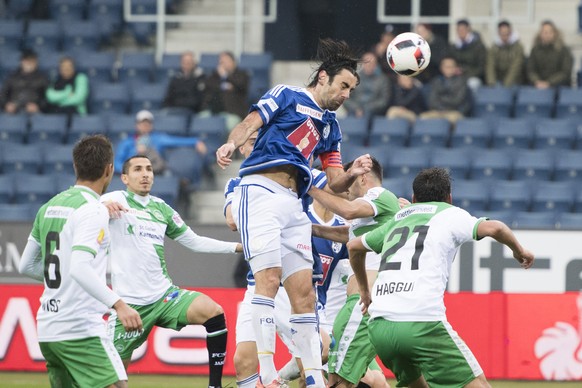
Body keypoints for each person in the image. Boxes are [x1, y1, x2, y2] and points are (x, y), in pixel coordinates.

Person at [216, 38, 373, 388]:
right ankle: (268, 374)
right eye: (344, 85)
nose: (347, 94)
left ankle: (314, 377)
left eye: (351, 89)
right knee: (268, 280)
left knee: (303, 293)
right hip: (260, 190)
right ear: (323, 78)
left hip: (293, 203)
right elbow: (250, 123)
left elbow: (333, 182)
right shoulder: (287, 95)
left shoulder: (331, 126)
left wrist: (352, 172)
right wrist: (231, 142)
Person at [347, 167, 535, 388]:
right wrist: (519, 251)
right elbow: (496, 228)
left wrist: (365, 291)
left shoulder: (398, 218)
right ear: (449, 198)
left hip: (380, 328)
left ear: (414, 197)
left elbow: (354, 246)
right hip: (421, 321)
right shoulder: (450, 213)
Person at [101, 155, 243, 388]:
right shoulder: (115, 199)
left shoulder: (162, 208)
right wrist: (100, 209)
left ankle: (214, 386)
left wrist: (238, 247)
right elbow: (82, 210)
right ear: (125, 178)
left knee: (214, 311)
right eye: (137, 169)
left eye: (149, 169)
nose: (145, 174)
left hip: (165, 296)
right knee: (113, 382)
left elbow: (194, 242)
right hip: (129, 305)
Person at [18, 134, 142, 388]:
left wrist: (65, 277)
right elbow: (80, 268)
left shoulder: (49, 206)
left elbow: (26, 266)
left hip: (48, 329)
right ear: (109, 170)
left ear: (75, 167)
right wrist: (119, 305)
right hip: (80, 328)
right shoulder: (94, 209)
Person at [308, 157, 399, 388]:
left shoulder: (379, 195)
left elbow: (347, 211)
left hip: (363, 303)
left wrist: (310, 188)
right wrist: (309, 229)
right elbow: (346, 234)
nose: (345, 189)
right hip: (363, 303)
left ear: (363, 177)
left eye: (348, 182)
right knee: (342, 378)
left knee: (340, 381)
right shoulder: (370, 216)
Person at [114, 109, 207, 174]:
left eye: (148, 123)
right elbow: (117, 162)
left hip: (153, 173)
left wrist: (195, 141)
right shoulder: (127, 142)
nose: (145, 126)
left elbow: (176, 141)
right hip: (131, 175)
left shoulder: (158, 138)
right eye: (142, 123)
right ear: (137, 125)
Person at [202, 51, 250, 131]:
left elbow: (241, 86)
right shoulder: (215, 76)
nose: (222, 64)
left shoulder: (242, 74)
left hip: (233, 112)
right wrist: (223, 83)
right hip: (214, 111)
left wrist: (225, 76)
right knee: (201, 120)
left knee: (230, 125)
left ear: (233, 62)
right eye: (221, 62)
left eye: (225, 61)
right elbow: (208, 86)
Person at [420, 56, 471, 125]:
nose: (449, 69)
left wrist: (441, 99)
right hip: (437, 111)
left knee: (454, 119)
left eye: (451, 67)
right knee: (422, 118)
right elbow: (432, 101)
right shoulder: (436, 81)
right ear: (441, 68)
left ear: (455, 68)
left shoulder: (462, 82)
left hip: (454, 112)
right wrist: (441, 109)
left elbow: (457, 101)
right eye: (446, 67)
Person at [342, 52, 391, 121]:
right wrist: (357, 108)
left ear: (376, 65)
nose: (369, 65)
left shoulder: (383, 80)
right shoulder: (353, 78)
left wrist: (366, 109)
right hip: (354, 111)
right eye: (367, 63)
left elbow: (384, 101)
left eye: (372, 63)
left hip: (374, 113)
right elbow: (345, 98)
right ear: (362, 64)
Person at [526, 20, 573, 89]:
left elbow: (565, 72)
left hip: (558, 87)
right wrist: (537, 81)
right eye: (544, 32)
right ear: (540, 34)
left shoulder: (563, 50)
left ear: (554, 33)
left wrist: (549, 83)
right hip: (538, 86)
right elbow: (530, 70)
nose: (547, 35)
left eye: (549, 32)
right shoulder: (535, 50)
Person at [0, 48, 49, 114]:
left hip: (34, 113)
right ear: (22, 62)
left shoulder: (42, 78)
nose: (29, 63)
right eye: (26, 60)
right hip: (14, 112)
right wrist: (7, 105)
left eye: (32, 61)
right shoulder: (12, 77)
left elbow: (47, 98)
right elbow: (3, 95)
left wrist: (38, 106)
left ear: (36, 62)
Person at [449, 19, 487, 90]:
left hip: (473, 76)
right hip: (457, 76)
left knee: (472, 84)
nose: (461, 32)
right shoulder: (454, 47)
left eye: (463, 29)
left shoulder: (478, 46)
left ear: (468, 29)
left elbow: (481, 67)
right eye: (459, 30)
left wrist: (465, 72)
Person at [485, 20, 525, 87]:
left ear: (510, 32)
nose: (504, 37)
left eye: (506, 34)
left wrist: (507, 83)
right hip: (498, 80)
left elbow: (516, 67)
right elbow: (490, 65)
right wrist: (491, 82)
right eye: (502, 34)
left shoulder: (518, 47)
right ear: (498, 33)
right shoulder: (494, 48)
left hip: (515, 81)